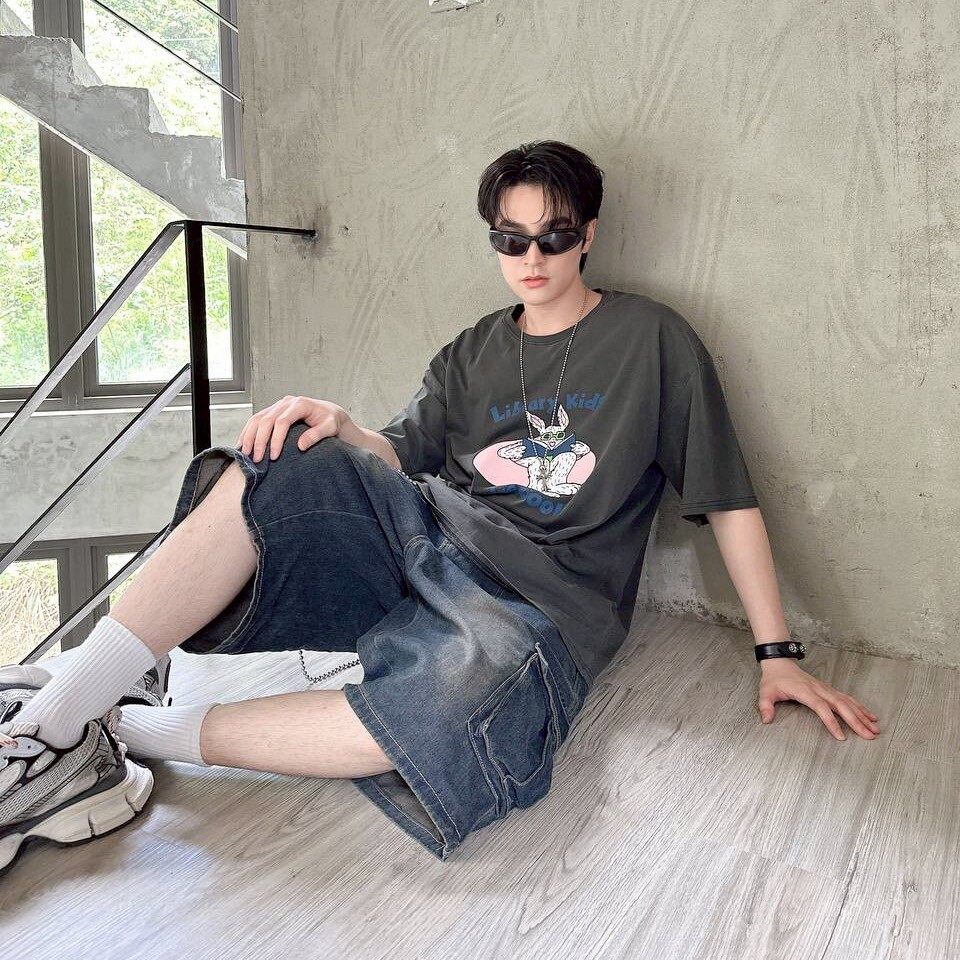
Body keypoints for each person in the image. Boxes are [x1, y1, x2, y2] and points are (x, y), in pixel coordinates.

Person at [0, 140, 881, 875]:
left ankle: (121, 728)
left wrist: (777, 654)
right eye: (511, 239)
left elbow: (726, 498)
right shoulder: (472, 350)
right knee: (280, 456)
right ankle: (52, 724)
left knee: (430, 731)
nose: (532, 259)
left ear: (588, 235)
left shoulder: (654, 339)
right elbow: (398, 453)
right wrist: (339, 423)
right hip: (427, 533)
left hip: (538, 600)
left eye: (554, 237)